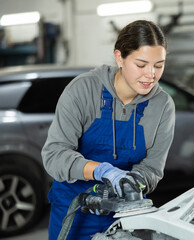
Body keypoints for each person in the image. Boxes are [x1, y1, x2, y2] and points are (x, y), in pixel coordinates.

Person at [41, 20, 175, 240]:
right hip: (74, 210)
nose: (150, 74)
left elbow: (152, 167)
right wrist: (103, 170)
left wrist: (133, 181)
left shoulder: (162, 106)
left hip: (126, 213)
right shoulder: (83, 90)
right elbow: (54, 155)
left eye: (158, 65)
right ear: (119, 57)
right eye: (141, 65)